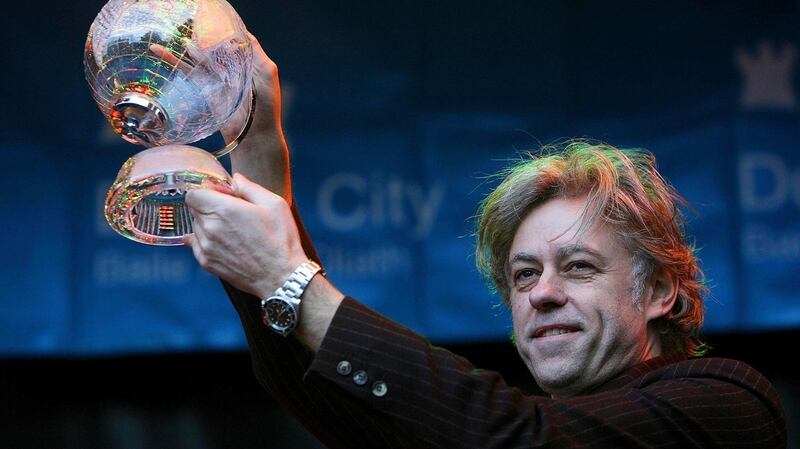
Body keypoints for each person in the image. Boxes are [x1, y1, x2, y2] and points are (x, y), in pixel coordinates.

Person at [184, 35, 788, 448]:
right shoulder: (484, 429)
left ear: (658, 288)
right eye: (523, 275)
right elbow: (311, 385)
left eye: (576, 266)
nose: (541, 294)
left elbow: (515, 438)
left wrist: (289, 279)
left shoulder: (727, 402)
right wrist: (259, 151)